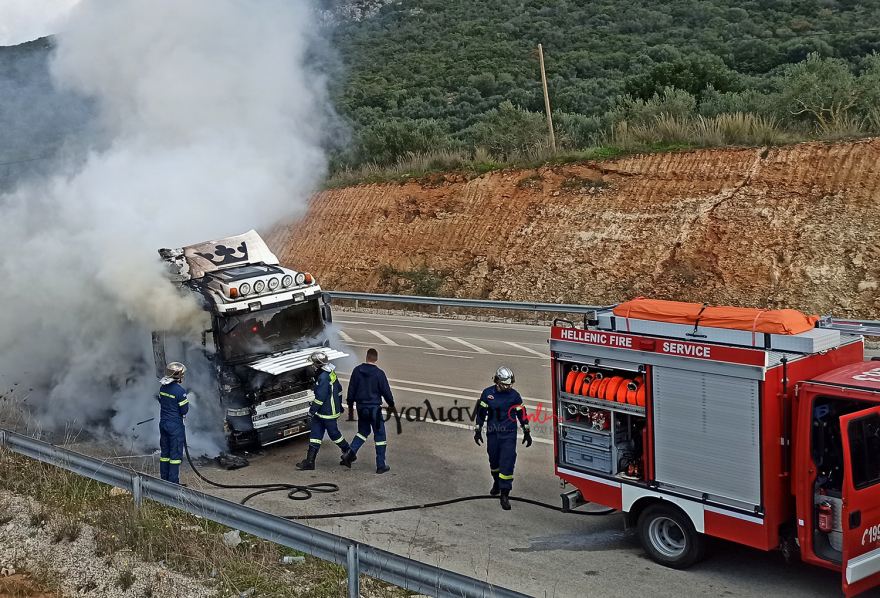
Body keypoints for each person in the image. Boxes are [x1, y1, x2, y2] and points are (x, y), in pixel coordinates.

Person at [473, 366, 532, 510]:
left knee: (507, 464)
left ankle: (505, 495)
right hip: (493, 434)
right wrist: (478, 430)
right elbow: (481, 412)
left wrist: (526, 431)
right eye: (506, 384)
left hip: (508, 436)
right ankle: (496, 483)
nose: (508, 387)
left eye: (510, 384)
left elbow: (521, 413)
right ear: (498, 381)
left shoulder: (514, 396)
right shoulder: (488, 394)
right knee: (494, 463)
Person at [340, 348, 395, 473]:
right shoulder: (379, 373)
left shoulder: (356, 371)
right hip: (374, 408)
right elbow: (386, 391)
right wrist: (391, 403)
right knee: (380, 436)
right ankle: (381, 465)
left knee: (363, 431)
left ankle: (349, 454)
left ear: (366, 357)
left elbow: (351, 390)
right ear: (376, 358)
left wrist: (350, 406)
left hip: (361, 407)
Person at [296, 351, 351, 470]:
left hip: (327, 412)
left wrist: (311, 411)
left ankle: (349, 453)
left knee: (334, 434)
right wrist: (339, 405)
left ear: (318, 365)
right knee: (315, 434)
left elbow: (320, 398)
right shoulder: (330, 372)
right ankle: (310, 461)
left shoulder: (323, 377)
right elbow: (339, 389)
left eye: (313, 364)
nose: (312, 366)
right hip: (323, 412)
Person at [157, 362, 189, 485]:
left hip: (163, 424)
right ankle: (174, 484)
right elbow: (184, 410)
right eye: (182, 374)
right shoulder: (180, 391)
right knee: (175, 455)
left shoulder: (162, 387)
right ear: (178, 375)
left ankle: (164, 481)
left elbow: (161, 401)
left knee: (165, 454)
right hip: (175, 426)